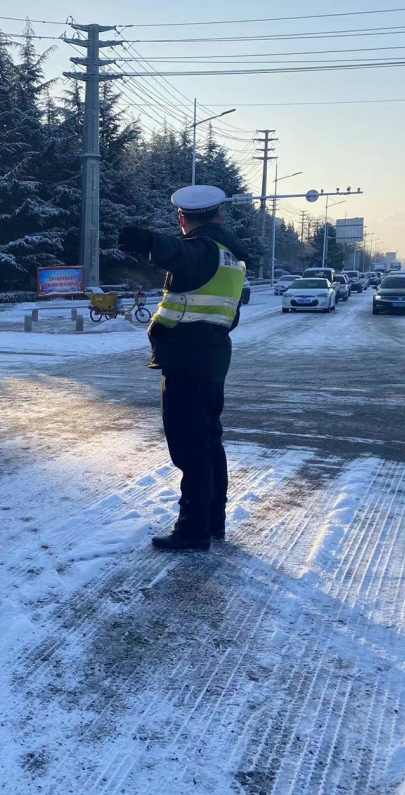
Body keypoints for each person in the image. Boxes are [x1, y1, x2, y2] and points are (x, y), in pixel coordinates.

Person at [119, 185, 250, 552]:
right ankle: (212, 522)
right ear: (219, 215)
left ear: (182, 219)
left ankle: (193, 530)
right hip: (212, 355)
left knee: (190, 448)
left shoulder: (201, 249)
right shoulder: (232, 258)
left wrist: (145, 240)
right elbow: (230, 314)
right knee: (209, 443)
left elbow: (179, 253)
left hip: (187, 359)